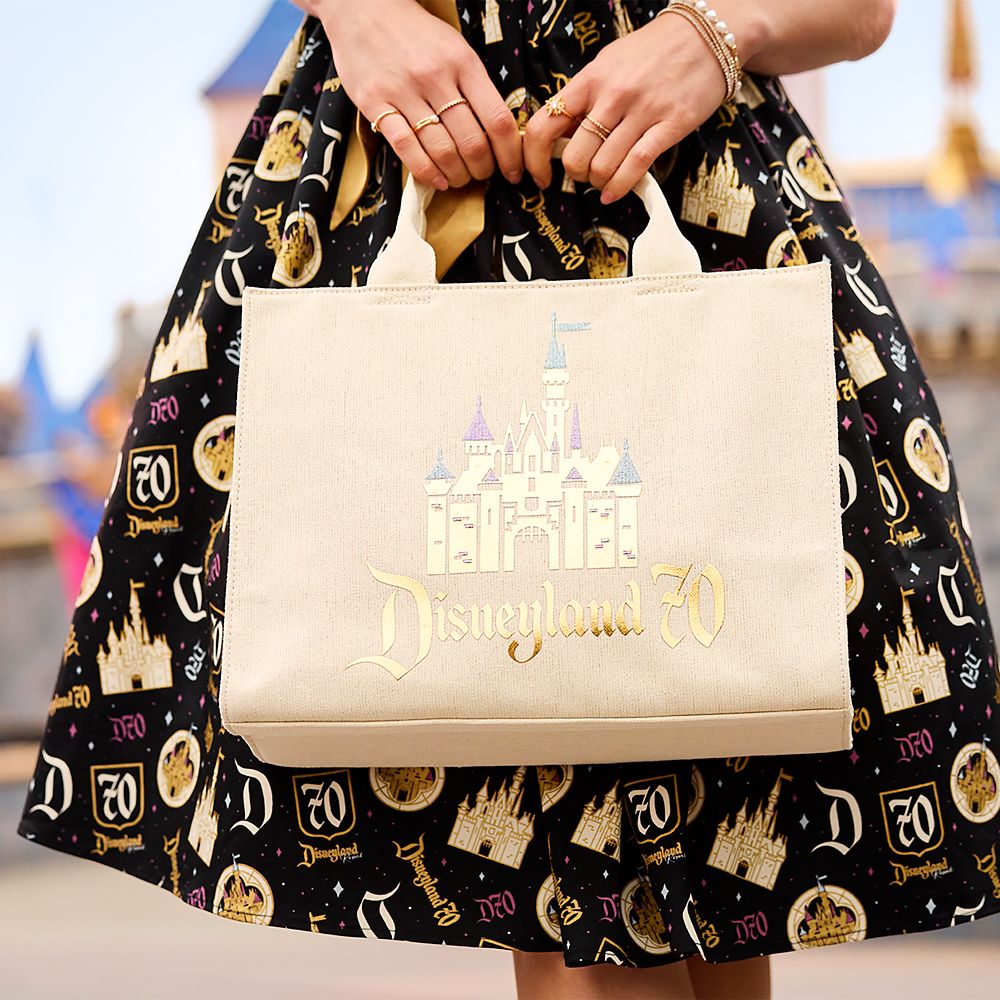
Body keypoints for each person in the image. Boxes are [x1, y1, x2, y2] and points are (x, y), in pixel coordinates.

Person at [17, 2, 1000, 998]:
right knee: (638, 860)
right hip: (432, 152)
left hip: (675, 172)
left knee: (705, 839)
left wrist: (716, 34)